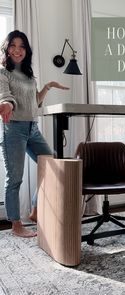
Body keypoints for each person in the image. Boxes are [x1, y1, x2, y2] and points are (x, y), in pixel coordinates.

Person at [0, 30, 69, 238]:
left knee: (52, 164)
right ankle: (16, 225)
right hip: (13, 128)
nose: (17, 50)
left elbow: (35, 102)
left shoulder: (29, 76)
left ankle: (36, 211)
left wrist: (47, 87)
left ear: (26, 50)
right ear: (6, 48)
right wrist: (6, 104)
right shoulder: (3, 73)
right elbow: (6, 96)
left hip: (33, 128)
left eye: (21, 46)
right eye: (13, 45)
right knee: (15, 179)